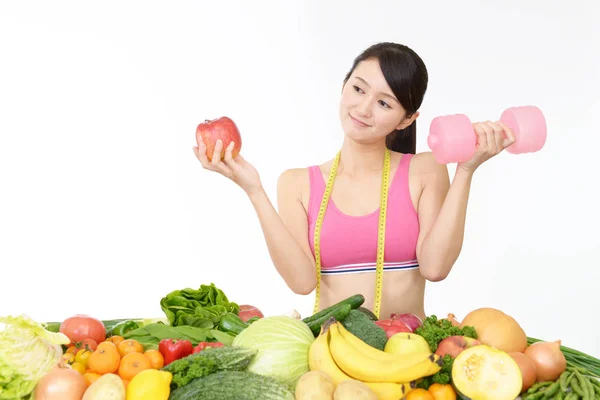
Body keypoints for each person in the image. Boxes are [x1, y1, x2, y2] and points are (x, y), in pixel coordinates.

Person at [192, 42, 516, 321]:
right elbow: (302, 282)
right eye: (358, 88)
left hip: (410, 353)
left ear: (407, 119)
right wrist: (254, 189)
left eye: (384, 102)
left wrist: (465, 171)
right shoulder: (296, 184)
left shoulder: (426, 169)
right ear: (344, 85)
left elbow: (435, 268)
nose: (363, 108)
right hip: (330, 355)